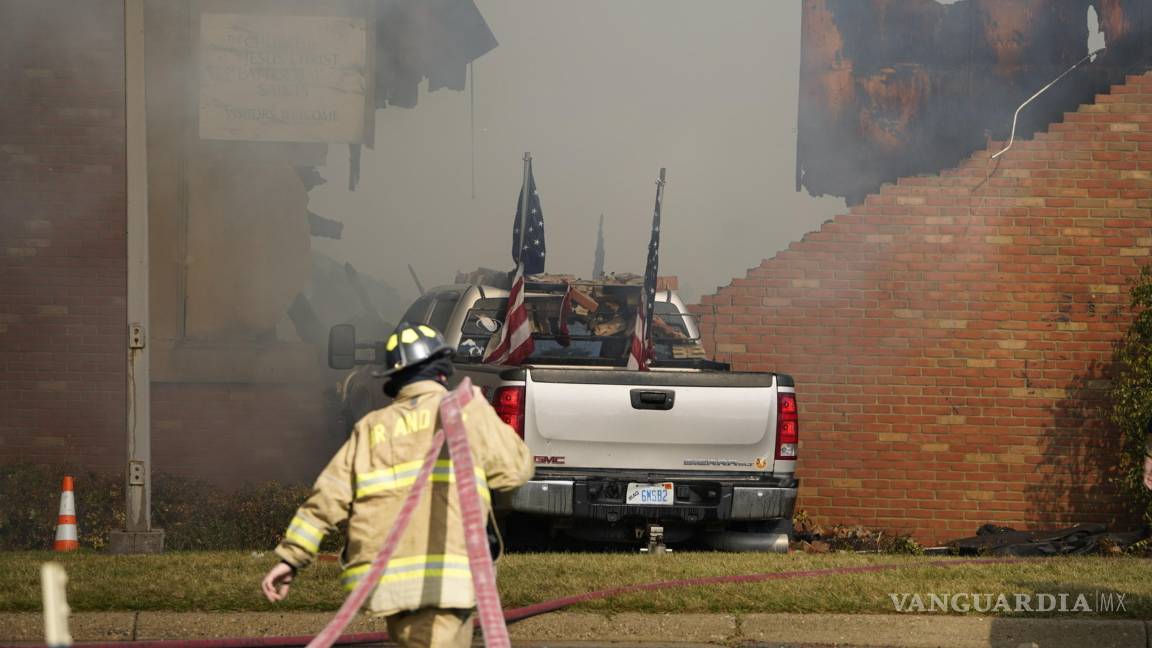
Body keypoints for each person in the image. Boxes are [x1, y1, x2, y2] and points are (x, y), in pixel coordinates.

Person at [261, 322, 534, 647]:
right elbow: (514, 472)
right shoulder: (465, 412)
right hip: (449, 580)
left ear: (394, 379)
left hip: (387, 584)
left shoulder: (371, 429)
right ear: (443, 371)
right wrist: (483, 416)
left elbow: (326, 499)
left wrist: (290, 559)